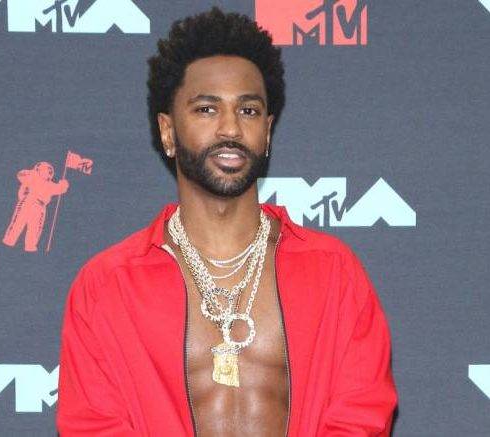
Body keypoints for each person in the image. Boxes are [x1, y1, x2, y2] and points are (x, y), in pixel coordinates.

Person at [56, 6, 397, 436]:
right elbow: (94, 426)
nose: (231, 129)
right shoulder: (107, 287)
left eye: (248, 111)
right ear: (168, 131)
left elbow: (362, 417)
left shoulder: (333, 272)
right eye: (206, 109)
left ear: (267, 131)